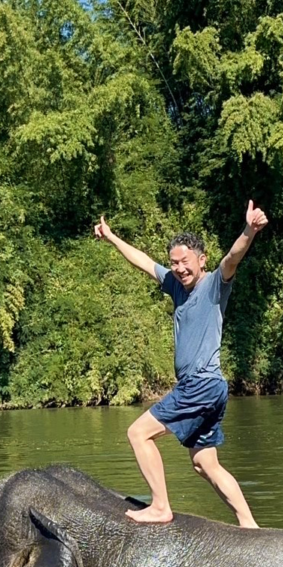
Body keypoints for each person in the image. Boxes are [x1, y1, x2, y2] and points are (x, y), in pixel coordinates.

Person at [94, 201, 269, 526]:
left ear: (201, 260)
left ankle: (161, 506)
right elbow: (145, 263)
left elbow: (232, 257)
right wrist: (111, 237)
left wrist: (250, 230)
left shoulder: (214, 285)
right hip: (212, 388)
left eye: (185, 262)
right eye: (174, 263)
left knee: (138, 433)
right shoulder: (176, 286)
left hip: (200, 384)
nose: (179, 268)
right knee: (204, 463)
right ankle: (249, 524)